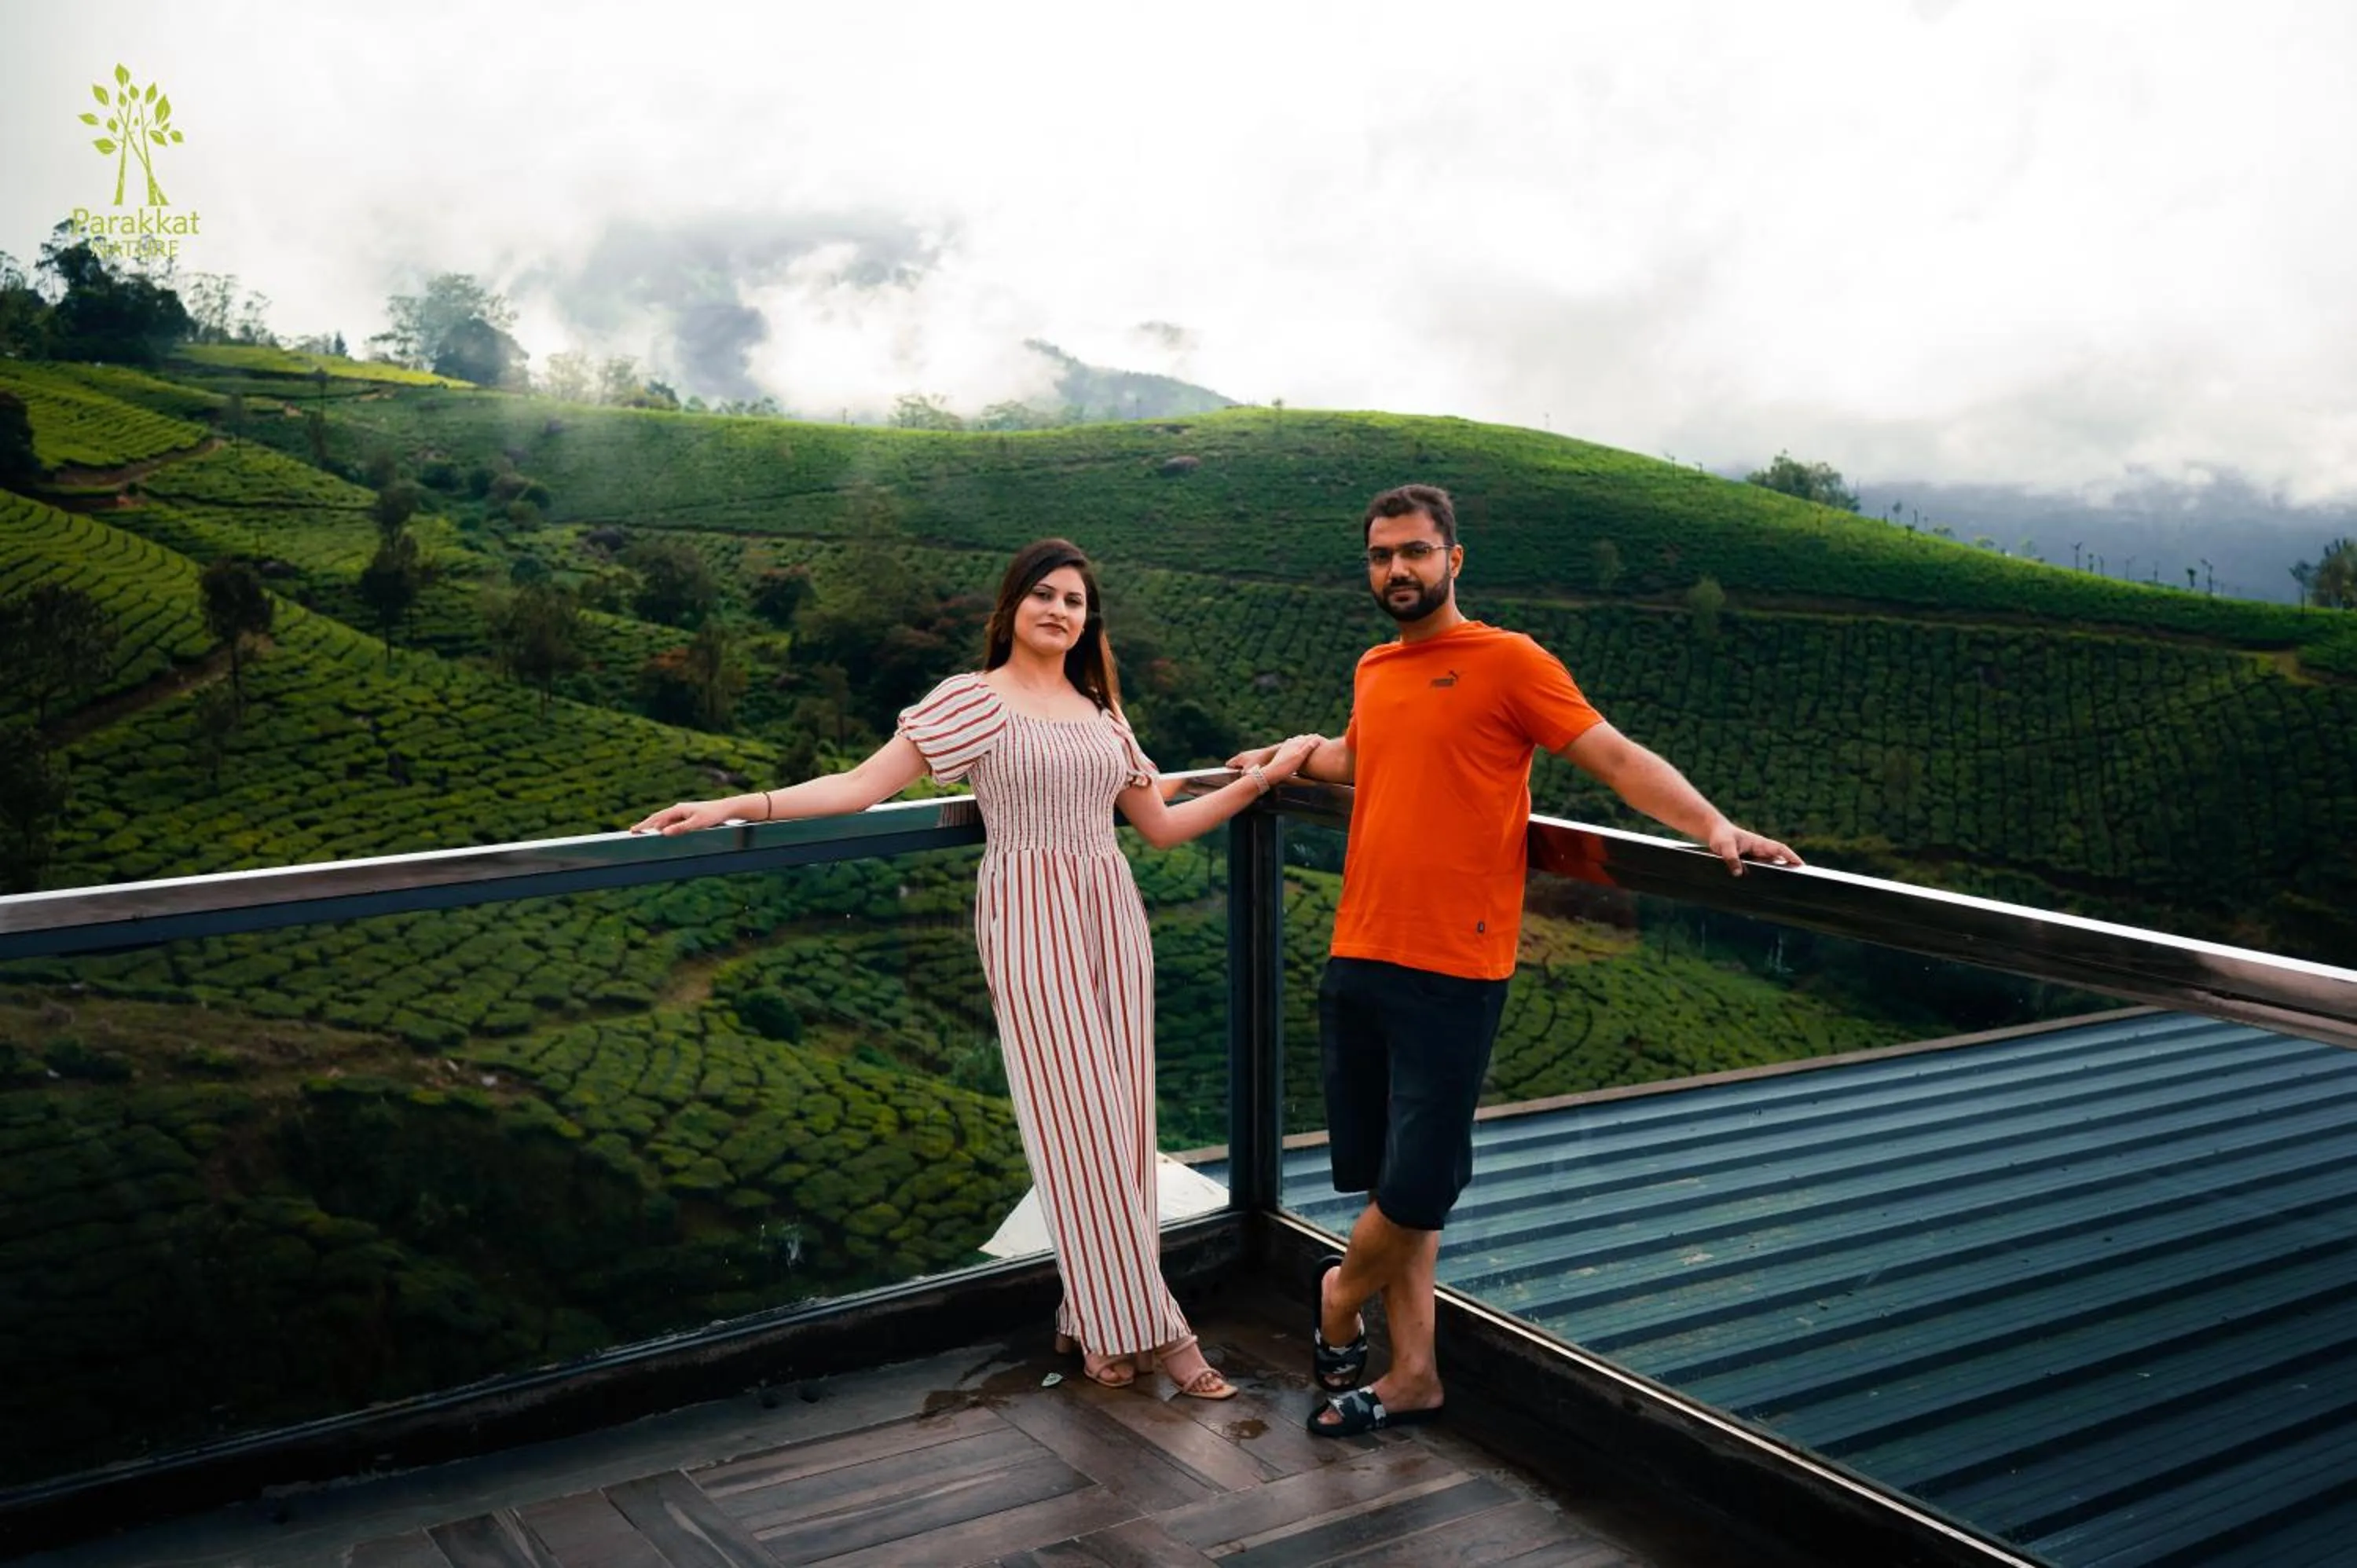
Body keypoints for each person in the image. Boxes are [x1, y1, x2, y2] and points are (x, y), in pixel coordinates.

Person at [635, 538, 1318, 1399]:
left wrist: (1262, 776)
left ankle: (1094, 1325)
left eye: (1075, 600)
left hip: (1114, 918)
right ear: (1012, 607)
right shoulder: (975, 701)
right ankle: (1165, 1333)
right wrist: (741, 802)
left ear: (1087, 619)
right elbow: (859, 787)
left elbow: (1160, 822)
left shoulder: (1101, 708)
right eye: (1044, 594)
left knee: (1125, 1129)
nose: (1059, 610)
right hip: (1029, 922)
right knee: (1082, 1132)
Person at [1226, 485, 1802, 1437]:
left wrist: (1710, 823)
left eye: (1414, 552)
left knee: (1421, 1186)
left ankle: (1335, 1299)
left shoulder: (1508, 662)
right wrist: (1289, 757)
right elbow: (1367, 759)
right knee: (1387, 1184)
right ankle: (1414, 1375)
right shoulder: (1377, 666)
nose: (1397, 571)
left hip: (1457, 963)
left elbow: (1611, 755)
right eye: (1380, 556)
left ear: (1456, 558)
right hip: (1361, 947)